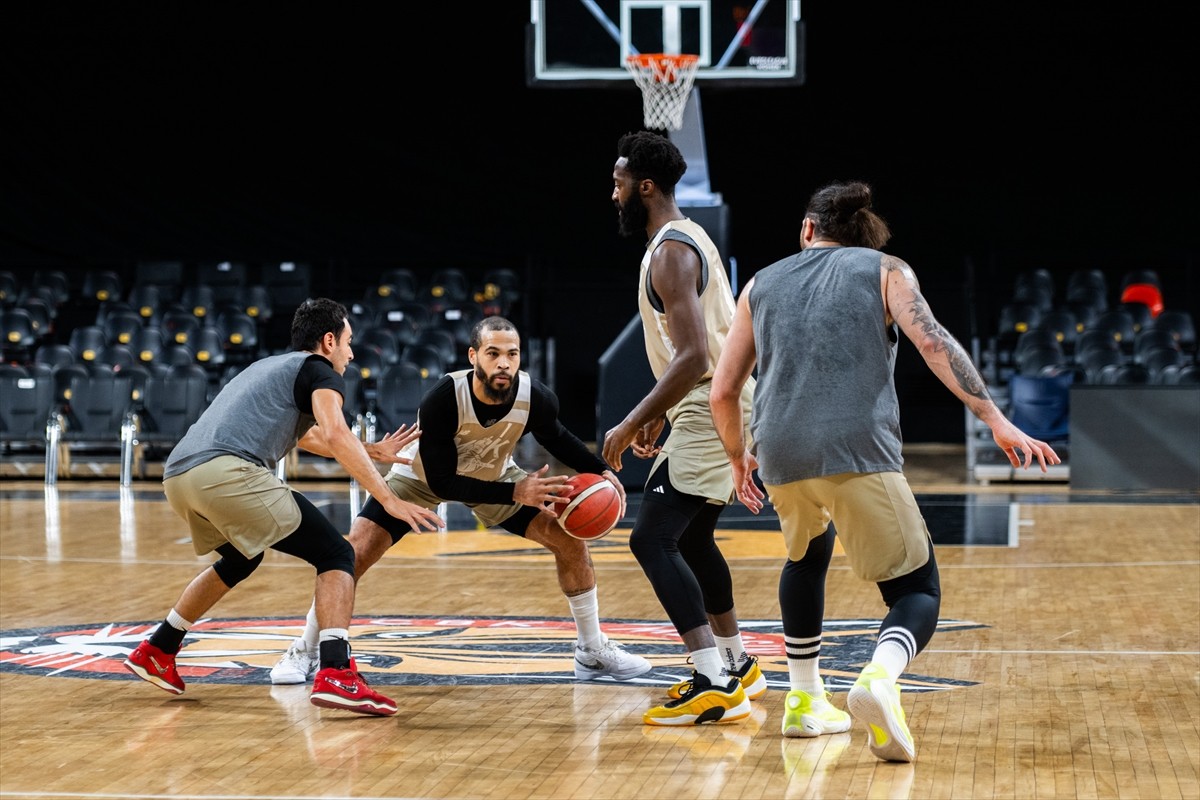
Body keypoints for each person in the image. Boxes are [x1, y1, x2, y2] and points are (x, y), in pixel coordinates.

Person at [710, 180, 1061, 758]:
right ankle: (877, 678)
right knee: (916, 588)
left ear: (807, 229)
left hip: (779, 451)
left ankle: (803, 704)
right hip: (856, 448)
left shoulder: (760, 283)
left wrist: (737, 457)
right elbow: (933, 342)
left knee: (805, 557)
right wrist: (995, 418)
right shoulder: (886, 269)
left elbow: (724, 390)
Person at [270, 315, 651, 685]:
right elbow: (443, 483)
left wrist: (602, 470)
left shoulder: (534, 395)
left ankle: (591, 649)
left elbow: (558, 437)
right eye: (493, 353)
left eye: (512, 354)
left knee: (569, 541)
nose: (504, 362)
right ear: (473, 356)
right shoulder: (443, 398)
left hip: (495, 475)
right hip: (422, 478)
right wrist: (516, 492)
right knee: (355, 550)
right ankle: (306, 647)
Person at [123, 297, 445, 717]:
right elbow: (333, 432)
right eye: (348, 342)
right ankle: (335, 671)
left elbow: (310, 437)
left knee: (241, 559)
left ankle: (159, 647)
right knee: (336, 554)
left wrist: (369, 450)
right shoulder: (320, 371)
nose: (351, 353)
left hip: (180, 476)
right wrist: (388, 498)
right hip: (225, 472)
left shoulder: (268, 367)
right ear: (328, 341)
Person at [603, 130, 763, 727]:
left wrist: (632, 419)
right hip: (711, 405)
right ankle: (738, 662)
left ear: (644, 186)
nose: (613, 192)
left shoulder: (670, 251)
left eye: (619, 181)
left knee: (653, 539)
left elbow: (695, 355)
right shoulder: (685, 238)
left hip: (708, 403)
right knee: (693, 540)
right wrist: (661, 414)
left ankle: (713, 680)